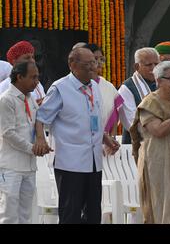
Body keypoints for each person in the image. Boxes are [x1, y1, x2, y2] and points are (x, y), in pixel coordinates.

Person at [35, 47, 120, 224]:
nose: (93, 67)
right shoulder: (60, 88)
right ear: (72, 65)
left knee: (93, 212)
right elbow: (41, 116)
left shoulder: (95, 87)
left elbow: (93, 119)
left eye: (95, 63)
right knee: (70, 213)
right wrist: (41, 139)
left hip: (94, 162)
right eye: (88, 64)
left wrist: (105, 137)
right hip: (70, 162)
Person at [129, 61, 170, 224]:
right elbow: (158, 131)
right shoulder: (150, 102)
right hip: (157, 163)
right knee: (159, 210)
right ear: (158, 81)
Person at [0, 61, 50, 224]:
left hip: (29, 166)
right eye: (33, 77)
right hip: (11, 167)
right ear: (19, 77)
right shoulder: (6, 99)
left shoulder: (30, 99)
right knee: (9, 214)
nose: (37, 82)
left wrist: (41, 141)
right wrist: (33, 148)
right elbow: (8, 133)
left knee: (26, 214)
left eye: (38, 77)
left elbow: (38, 121)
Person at [118, 48, 160, 144]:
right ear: (137, 67)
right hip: (136, 148)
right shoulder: (127, 88)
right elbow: (132, 124)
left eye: (157, 64)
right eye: (149, 65)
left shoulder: (163, 82)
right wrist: (160, 129)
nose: (154, 68)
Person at [82, 44, 125, 137]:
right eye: (95, 59)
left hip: (105, 142)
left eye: (102, 59)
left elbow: (115, 113)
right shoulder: (76, 85)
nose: (99, 62)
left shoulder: (108, 86)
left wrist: (112, 137)